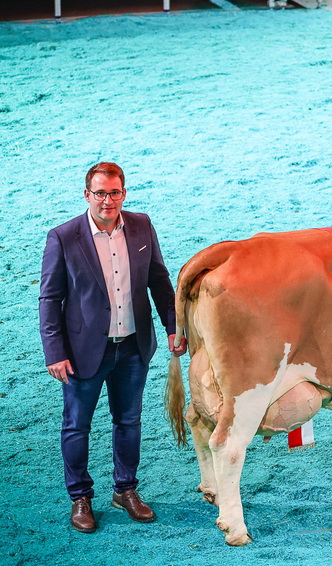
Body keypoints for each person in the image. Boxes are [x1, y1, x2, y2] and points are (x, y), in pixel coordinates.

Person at [39, 162, 187, 533]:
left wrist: (173, 326)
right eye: (100, 193)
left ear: (124, 193)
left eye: (115, 192)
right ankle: (80, 497)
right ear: (87, 194)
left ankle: (126, 490)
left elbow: (159, 279)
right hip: (82, 351)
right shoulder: (63, 237)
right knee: (76, 426)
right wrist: (54, 350)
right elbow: (49, 298)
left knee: (129, 421)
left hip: (134, 346)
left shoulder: (141, 225)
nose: (108, 200)